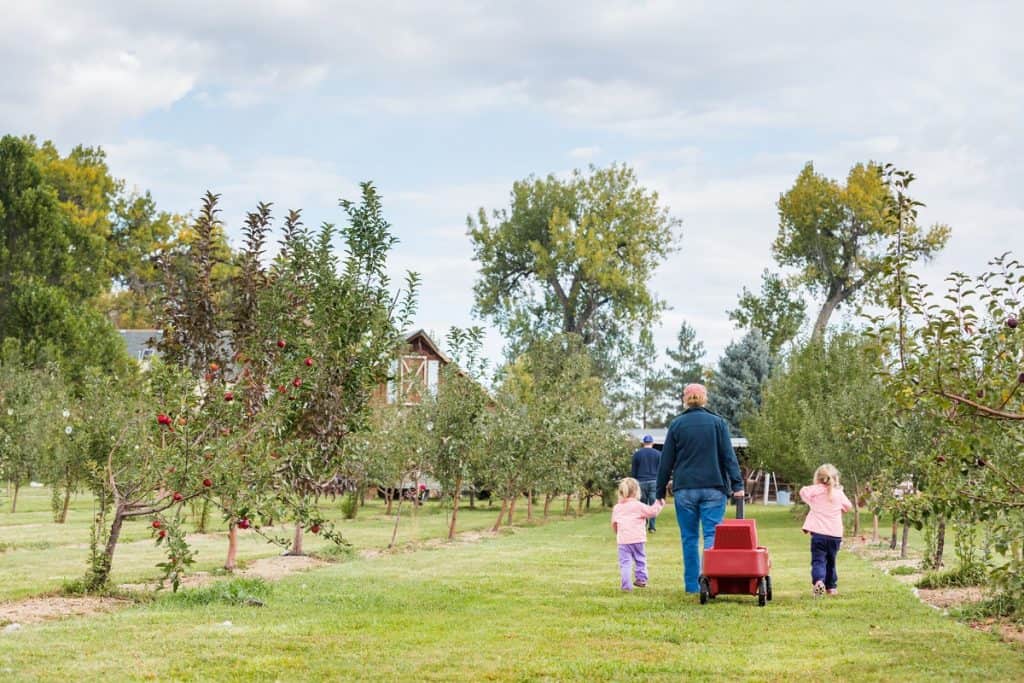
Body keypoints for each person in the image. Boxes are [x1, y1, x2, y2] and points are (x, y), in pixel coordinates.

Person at [655, 383, 744, 594]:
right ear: (705, 399)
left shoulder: (677, 425)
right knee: (712, 535)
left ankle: (692, 586)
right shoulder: (717, 423)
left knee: (689, 537)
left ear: (685, 400)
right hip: (714, 488)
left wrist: (659, 491)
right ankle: (711, 581)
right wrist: (738, 484)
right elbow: (728, 456)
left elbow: (666, 461)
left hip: (685, 488)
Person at [800, 463, 853, 596]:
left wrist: (815, 494)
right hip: (835, 535)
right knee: (831, 561)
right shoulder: (838, 493)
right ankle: (832, 587)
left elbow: (803, 492)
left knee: (819, 560)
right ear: (835, 478)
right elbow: (848, 507)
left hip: (818, 534)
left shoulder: (815, 492)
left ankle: (819, 582)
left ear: (817, 478)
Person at [611, 477, 664, 591]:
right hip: (638, 539)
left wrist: (618, 533)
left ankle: (626, 586)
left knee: (625, 563)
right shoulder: (638, 506)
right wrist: (659, 502)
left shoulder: (617, 508)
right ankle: (641, 579)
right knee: (640, 559)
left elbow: (614, 524)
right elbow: (652, 512)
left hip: (623, 541)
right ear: (636, 492)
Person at [631, 434, 661, 532]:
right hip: (654, 481)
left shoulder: (637, 454)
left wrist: (634, 482)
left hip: (641, 482)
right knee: (653, 504)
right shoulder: (658, 454)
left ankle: (643, 525)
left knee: (642, 505)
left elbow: (634, 471)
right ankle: (652, 527)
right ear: (652, 443)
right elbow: (661, 469)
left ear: (643, 443)